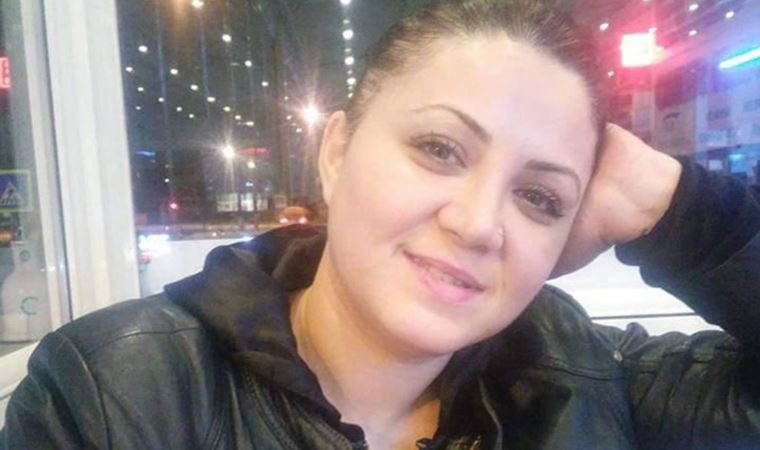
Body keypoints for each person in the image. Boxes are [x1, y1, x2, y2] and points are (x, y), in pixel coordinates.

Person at [3, 0, 760, 448]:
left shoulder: (585, 380)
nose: (478, 224)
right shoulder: (119, 395)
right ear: (336, 152)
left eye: (539, 198)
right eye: (440, 149)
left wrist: (684, 210)